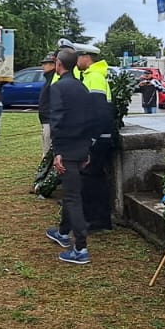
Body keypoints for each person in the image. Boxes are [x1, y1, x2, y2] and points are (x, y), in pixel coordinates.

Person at [46, 48, 95, 265]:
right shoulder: (82, 88)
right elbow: (89, 121)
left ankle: (81, 248)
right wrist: (87, 150)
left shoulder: (58, 88)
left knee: (74, 197)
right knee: (71, 192)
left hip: (66, 150)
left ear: (58, 64)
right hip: (80, 149)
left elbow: (56, 122)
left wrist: (57, 152)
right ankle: (63, 232)